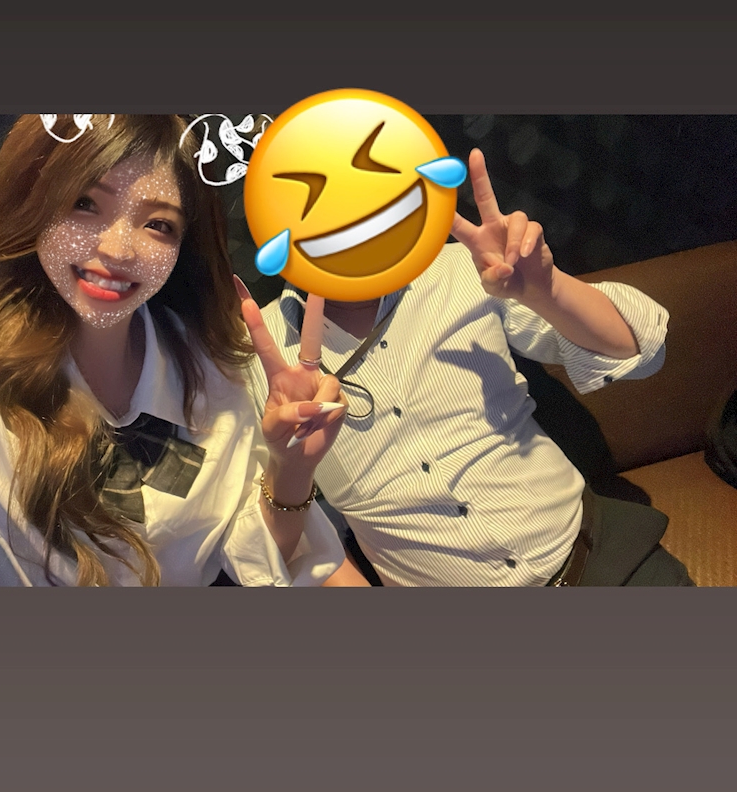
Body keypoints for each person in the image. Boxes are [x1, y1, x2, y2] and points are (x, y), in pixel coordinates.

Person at [0, 114, 351, 587]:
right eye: (85, 203)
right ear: (35, 205)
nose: (118, 250)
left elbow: (249, 560)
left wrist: (292, 468)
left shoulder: (204, 364)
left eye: (158, 224)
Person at [246, 148, 695, 587]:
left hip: (598, 559)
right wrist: (290, 468)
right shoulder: (254, 359)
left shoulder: (464, 268)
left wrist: (548, 290)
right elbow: (275, 551)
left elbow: (642, 351)